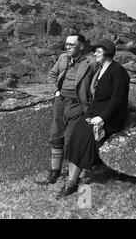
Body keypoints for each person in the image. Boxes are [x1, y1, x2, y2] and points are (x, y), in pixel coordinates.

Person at [56, 39, 130, 199]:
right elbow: (94, 97)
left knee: (85, 140)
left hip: (110, 118)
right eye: (94, 50)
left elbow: (118, 99)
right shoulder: (100, 69)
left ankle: (73, 184)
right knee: (76, 136)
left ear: (108, 52)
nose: (95, 53)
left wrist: (102, 118)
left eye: (99, 50)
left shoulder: (118, 71)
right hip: (93, 114)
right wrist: (90, 115)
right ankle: (74, 181)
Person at [39, 34, 97, 185]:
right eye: (67, 44)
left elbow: (96, 83)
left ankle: (73, 178)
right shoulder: (63, 58)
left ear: (81, 46)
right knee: (56, 136)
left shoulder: (90, 62)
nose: (68, 47)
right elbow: (52, 74)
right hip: (61, 101)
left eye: (72, 44)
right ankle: (55, 173)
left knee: (71, 140)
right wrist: (56, 91)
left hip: (78, 105)